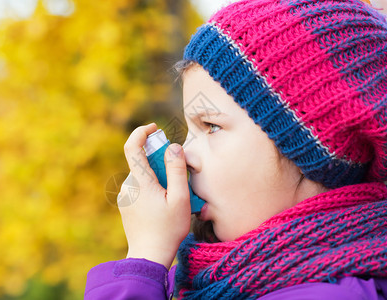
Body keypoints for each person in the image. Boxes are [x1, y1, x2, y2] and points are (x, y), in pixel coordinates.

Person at [85, 0, 387, 298]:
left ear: (313, 153)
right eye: (190, 130)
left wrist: (144, 257)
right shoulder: (213, 276)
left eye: (211, 126)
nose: (185, 156)